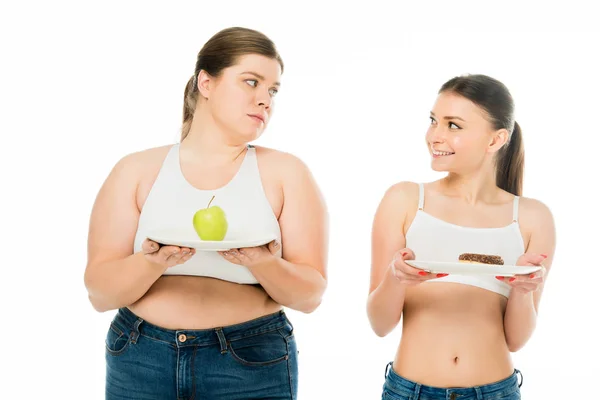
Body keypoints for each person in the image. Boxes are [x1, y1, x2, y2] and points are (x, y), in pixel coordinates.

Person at [84, 26, 328, 400]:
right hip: (140, 356)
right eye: (251, 82)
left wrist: (261, 262)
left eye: (273, 90)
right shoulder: (135, 170)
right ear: (206, 83)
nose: (265, 100)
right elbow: (99, 293)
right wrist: (154, 261)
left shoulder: (287, 174)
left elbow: (310, 296)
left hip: (251, 361)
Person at [367, 74, 555, 400]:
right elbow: (380, 324)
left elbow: (516, 340)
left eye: (453, 125)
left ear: (495, 140)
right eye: (433, 121)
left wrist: (524, 291)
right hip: (409, 391)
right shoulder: (404, 200)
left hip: (496, 391)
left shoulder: (531, 217)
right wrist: (396, 278)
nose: (434, 136)